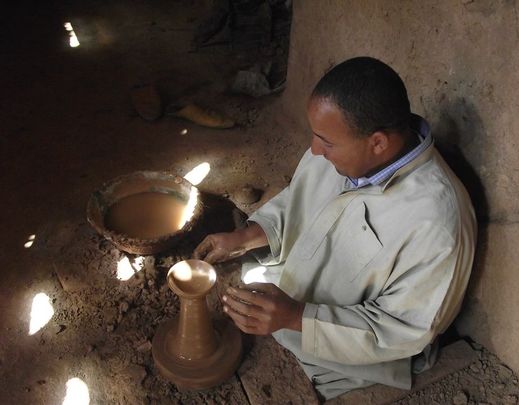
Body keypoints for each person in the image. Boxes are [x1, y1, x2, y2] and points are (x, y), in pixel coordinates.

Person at [193, 56, 477, 400]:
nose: (314, 150)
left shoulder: (436, 223)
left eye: (326, 142)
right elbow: (299, 199)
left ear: (378, 143)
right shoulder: (346, 148)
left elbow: (402, 330)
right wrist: (245, 237)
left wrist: (296, 317)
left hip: (354, 352)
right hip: (295, 287)